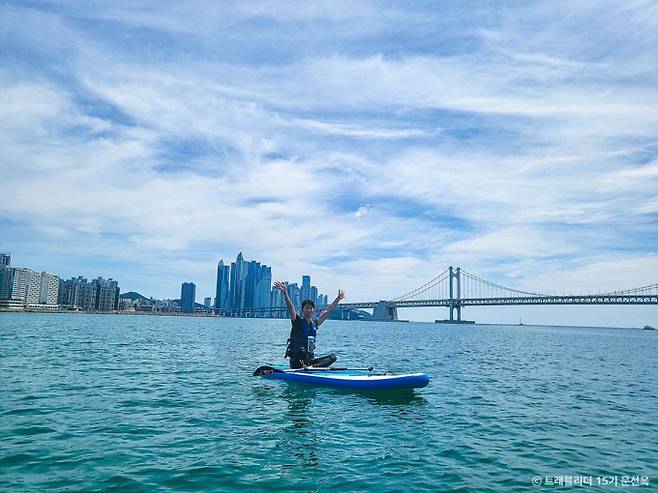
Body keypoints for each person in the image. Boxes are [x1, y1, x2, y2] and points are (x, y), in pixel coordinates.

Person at [274, 281, 345, 369]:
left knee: (333, 357)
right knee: (302, 351)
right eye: (306, 308)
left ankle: (311, 367)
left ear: (313, 310)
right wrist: (285, 293)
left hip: (309, 361)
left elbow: (327, 311)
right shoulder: (297, 322)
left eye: (311, 308)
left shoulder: (315, 323)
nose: (309, 310)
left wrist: (338, 299)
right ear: (302, 310)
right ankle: (310, 367)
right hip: (297, 360)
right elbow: (290, 308)